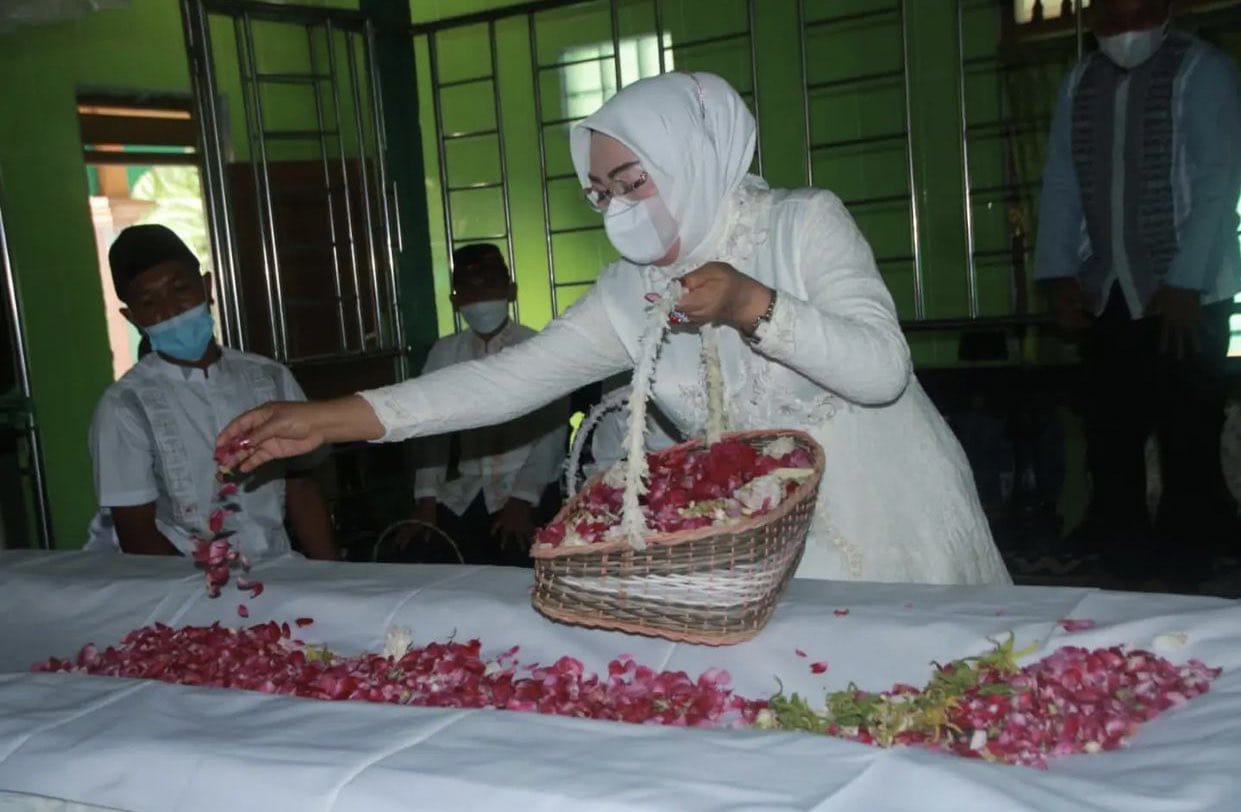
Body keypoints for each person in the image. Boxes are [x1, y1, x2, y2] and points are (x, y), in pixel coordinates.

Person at [216, 72, 1011, 585]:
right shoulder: (630, 291)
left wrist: (753, 306)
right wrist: (320, 419)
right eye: (602, 194)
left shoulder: (800, 225)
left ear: (690, 160)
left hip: (895, 519)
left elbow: (881, 372)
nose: (620, 209)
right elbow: (501, 383)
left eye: (632, 183)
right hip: (757, 545)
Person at [1034, 0, 1241, 582]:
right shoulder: (1083, 79)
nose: (1124, 30)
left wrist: (1186, 283)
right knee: (1112, 430)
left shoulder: (1203, 70)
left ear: (1164, 9)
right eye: (1111, 19)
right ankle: (1120, 556)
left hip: (1188, 293)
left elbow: (1217, 180)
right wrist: (1059, 274)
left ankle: (1194, 559)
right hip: (1110, 288)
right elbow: (1062, 182)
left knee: (1189, 429)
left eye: (1136, 15)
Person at [89, 224, 337, 560]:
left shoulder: (271, 378)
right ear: (133, 318)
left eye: (180, 289)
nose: (172, 310)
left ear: (206, 287)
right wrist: (204, 602)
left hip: (279, 573)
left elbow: (301, 486)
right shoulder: (125, 406)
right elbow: (137, 533)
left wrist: (330, 573)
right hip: (188, 588)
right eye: (150, 302)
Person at [406, 244, 568, 566]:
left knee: (520, 557)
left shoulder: (538, 348)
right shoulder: (444, 353)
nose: (479, 298)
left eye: (491, 284)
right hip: (466, 490)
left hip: (529, 484)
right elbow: (429, 431)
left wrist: (522, 500)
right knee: (423, 555)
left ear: (511, 290)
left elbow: (552, 435)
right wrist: (425, 499)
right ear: (455, 301)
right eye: (467, 289)